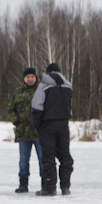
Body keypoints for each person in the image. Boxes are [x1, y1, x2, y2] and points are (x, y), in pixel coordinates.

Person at [31, 62, 74, 196]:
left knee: (48, 156)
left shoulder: (43, 85)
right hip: (63, 124)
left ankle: (50, 187)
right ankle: (65, 186)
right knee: (65, 155)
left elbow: (36, 105)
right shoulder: (68, 86)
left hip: (47, 124)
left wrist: (38, 124)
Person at [8, 67, 43, 193]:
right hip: (23, 132)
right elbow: (11, 109)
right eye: (27, 77)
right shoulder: (18, 92)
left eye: (32, 77)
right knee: (23, 160)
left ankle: (45, 183)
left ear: (35, 77)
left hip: (39, 132)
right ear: (24, 78)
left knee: (42, 159)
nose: (30, 79)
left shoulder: (42, 91)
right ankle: (23, 184)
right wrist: (16, 121)